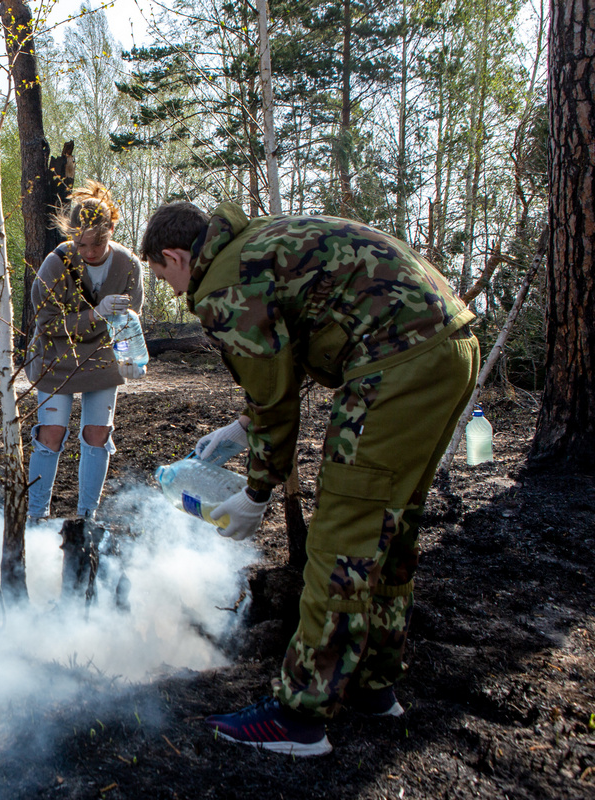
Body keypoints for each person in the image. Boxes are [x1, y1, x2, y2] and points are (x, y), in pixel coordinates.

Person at [140, 200, 479, 756]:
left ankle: (299, 715)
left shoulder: (223, 281)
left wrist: (255, 492)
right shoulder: (260, 243)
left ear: (176, 256)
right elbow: (291, 347)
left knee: (341, 538)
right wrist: (238, 429)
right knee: (390, 526)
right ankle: (372, 685)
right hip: (450, 346)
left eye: (165, 277)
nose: (175, 293)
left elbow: (274, 397)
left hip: (396, 364)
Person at [25, 181, 145, 522]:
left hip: (102, 359)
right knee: (51, 433)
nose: (89, 252)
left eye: (98, 243)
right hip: (56, 357)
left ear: (111, 231)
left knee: (98, 433)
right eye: (81, 244)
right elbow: (46, 322)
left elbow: (128, 322)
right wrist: (94, 313)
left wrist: (130, 356)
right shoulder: (55, 263)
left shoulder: (128, 266)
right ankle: (36, 517)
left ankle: (87, 518)